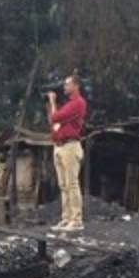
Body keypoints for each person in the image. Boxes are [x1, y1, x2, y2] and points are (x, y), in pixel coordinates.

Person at [46, 75, 88, 232]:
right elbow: (53, 121)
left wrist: (52, 102)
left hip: (70, 145)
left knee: (72, 184)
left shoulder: (78, 103)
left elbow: (55, 117)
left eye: (67, 84)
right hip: (59, 145)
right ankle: (66, 217)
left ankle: (76, 219)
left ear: (76, 86)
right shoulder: (68, 104)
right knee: (63, 185)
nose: (64, 86)